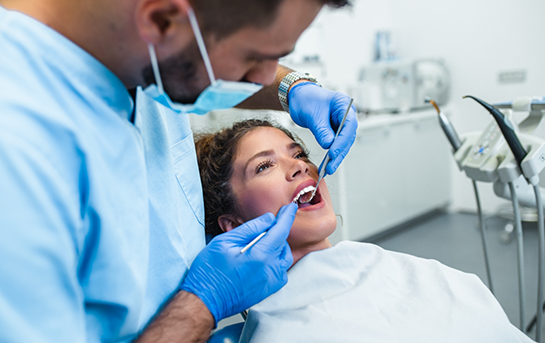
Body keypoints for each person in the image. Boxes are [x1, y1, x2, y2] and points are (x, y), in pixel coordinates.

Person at [0, 0, 358, 342]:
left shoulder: (133, 51)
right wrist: (204, 303)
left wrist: (290, 88)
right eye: (253, 57)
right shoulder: (19, 152)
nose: (266, 76)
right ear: (160, 22)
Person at [194, 118, 534, 343]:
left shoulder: (410, 270)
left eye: (298, 154)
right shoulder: (280, 332)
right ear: (234, 225)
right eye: (265, 165)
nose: (299, 165)